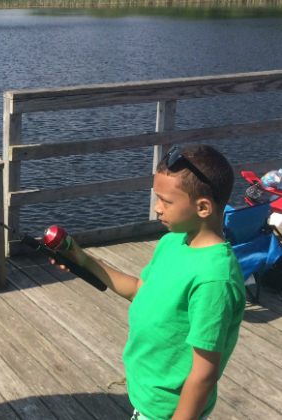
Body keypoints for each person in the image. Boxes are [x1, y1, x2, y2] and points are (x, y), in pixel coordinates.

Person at [51, 144, 245, 420]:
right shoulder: (173, 241)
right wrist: (83, 260)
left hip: (167, 413)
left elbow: (204, 374)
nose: (156, 208)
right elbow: (140, 290)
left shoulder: (214, 279)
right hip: (146, 397)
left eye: (165, 200)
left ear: (203, 207)